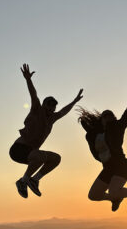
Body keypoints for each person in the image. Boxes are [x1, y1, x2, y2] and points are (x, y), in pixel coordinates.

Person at [10, 64, 83, 198]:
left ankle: (34, 180)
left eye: (52, 109)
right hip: (18, 149)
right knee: (38, 156)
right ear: (44, 105)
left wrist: (74, 101)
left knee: (55, 159)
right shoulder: (37, 109)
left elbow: (63, 111)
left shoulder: (52, 118)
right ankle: (23, 181)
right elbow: (34, 94)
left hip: (31, 152)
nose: (50, 111)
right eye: (48, 108)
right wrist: (28, 80)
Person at [78, 84, 127, 212]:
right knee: (93, 195)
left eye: (109, 115)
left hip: (121, 166)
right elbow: (88, 131)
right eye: (104, 116)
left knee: (113, 190)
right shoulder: (94, 134)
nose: (107, 117)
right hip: (108, 168)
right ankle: (114, 199)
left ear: (113, 118)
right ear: (101, 120)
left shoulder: (117, 127)